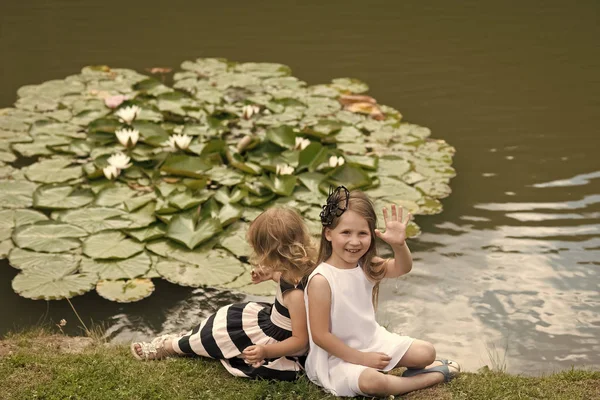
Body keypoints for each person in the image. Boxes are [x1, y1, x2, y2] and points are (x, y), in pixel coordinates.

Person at [304, 186, 460, 397]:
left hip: (372, 341)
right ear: (329, 234)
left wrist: (399, 245)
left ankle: (410, 371)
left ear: (371, 235)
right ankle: (430, 377)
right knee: (373, 383)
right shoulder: (322, 280)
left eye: (362, 233)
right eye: (346, 233)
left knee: (426, 352)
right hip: (336, 357)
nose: (355, 241)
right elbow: (320, 336)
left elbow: (402, 267)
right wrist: (361, 359)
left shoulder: (366, 265)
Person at [131, 207, 316, 381]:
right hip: (272, 320)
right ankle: (188, 337)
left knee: (221, 333)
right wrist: (269, 274)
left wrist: (265, 351)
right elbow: (283, 276)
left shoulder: (294, 294)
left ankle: (170, 346)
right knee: (226, 318)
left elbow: (300, 341)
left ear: (273, 255)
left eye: (262, 254)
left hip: (281, 342)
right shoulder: (303, 269)